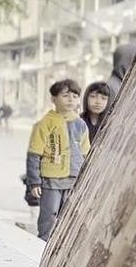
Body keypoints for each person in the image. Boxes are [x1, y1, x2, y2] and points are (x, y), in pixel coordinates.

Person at [26, 79, 90, 241]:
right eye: (65, 95)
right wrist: (34, 182)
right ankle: (42, 244)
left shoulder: (80, 125)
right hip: (51, 179)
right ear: (53, 99)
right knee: (49, 215)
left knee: (68, 217)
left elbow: (85, 154)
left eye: (75, 96)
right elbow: (34, 155)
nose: (70, 100)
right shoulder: (45, 124)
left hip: (74, 179)